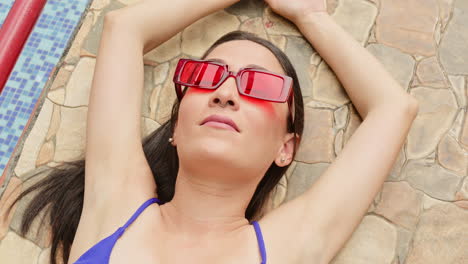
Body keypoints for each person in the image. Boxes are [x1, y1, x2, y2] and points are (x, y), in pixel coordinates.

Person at [6, 0, 419, 263]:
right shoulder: (114, 208)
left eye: (260, 84)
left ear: (286, 147)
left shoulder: (286, 247)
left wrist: (311, 16)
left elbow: (393, 108)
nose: (224, 92)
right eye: (205, 76)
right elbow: (124, 27)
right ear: (175, 128)